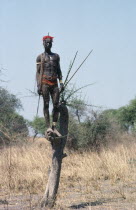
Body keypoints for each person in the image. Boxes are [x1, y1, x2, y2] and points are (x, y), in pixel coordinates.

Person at [36, 35, 64, 130]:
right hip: (44, 83)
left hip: (54, 83)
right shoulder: (40, 57)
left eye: (50, 42)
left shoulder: (56, 56)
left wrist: (61, 83)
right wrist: (38, 86)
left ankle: (54, 126)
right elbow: (38, 72)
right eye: (46, 42)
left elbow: (59, 71)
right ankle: (48, 127)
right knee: (46, 104)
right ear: (43, 43)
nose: (48, 44)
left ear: (52, 43)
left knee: (56, 105)